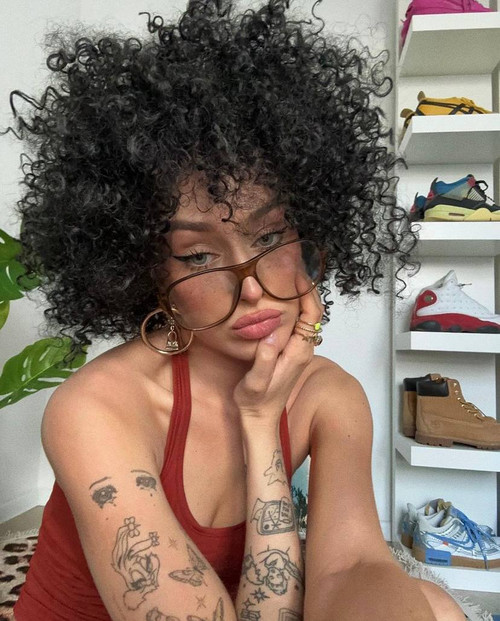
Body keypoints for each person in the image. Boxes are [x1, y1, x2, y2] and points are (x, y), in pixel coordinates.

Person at [3, 0, 465, 619]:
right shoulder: (97, 407)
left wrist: (262, 422)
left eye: (270, 236)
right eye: (198, 256)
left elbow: (353, 566)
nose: (250, 287)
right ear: (149, 274)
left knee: (432, 604)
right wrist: (261, 418)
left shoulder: (329, 396)